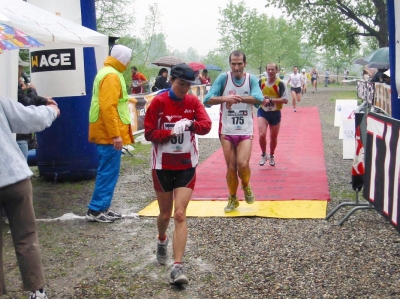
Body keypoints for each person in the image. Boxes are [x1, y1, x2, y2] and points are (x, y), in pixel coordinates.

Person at [144, 63, 211, 285]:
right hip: (162, 165)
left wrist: (191, 125)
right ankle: (161, 239)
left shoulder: (193, 102)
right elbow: (149, 133)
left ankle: (177, 267)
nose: (185, 89)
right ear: (172, 80)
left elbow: (206, 125)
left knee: (180, 214)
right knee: (165, 215)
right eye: (181, 84)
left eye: (188, 85)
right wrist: (171, 131)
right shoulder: (159, 102)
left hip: (186, 164)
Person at [0, 96, 60, 299]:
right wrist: (51, 110)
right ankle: (37, 290)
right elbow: (29, 118)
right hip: (14, 176)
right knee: (26, 237)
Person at [203, 50, 264, 213]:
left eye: (239, 64)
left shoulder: (251, 80)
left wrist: (238, 98)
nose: (236, 67)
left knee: (242, 164)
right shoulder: (224, 78)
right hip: (227, 130)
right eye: (233, 64)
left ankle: (246, 185)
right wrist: (224, 98)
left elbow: (259, 98)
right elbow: (207, 99)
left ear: (245, 63)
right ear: (230, 64)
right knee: (231, 166)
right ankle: (232, 198)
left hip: (245, 129)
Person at [86, 45, 134, 223]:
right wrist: (115, 134)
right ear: (122, 58)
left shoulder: (107, 72)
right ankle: (96, 209)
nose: (129, 63)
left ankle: (103, 207)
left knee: (108, 171)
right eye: (128, 59)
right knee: (107, 171)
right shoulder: (113, 75)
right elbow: (108, 107)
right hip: (108, 134)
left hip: (105, 132)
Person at [17, 57, 57, 160]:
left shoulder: (10, 86)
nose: (21, 72)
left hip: (18, 136)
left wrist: (43, 100)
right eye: (20, 67)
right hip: (19, 136)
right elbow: (27, 105)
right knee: (22, 172)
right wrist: (32, 90)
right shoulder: (14, 87)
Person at [258, 62, 288, 167]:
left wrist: (270, 99)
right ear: (266, 70)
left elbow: (285, 100)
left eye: (272, 69)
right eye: (269, 69)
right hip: (263, 112)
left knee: (273, 137)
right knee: (262, 134)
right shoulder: (260, 82)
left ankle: (271, 155)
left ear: (277, 71)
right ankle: (263, 154)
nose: (270, 71)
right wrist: (261, 99)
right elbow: (254, 97)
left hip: (275, 113)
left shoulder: (281, 83)